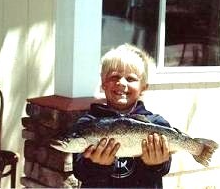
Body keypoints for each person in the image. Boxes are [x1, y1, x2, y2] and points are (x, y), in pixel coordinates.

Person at [65, 44, 172, 188]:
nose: (121, 83)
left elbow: (163, 169)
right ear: (103, 84)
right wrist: (96, 165)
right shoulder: (87, 124)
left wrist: (156, 164)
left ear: (144, 88)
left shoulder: (156, 124)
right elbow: (80, 172)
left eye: (131, 79)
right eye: (114, 77)